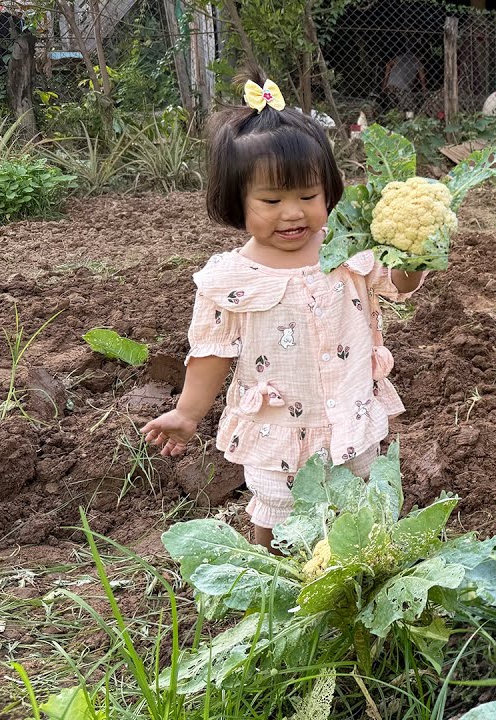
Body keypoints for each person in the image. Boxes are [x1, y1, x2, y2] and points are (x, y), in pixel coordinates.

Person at [142, 74, 426, 549]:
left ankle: (360, 572)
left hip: (350, 410)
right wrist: (187, 414)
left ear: (328, 191)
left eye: (307, 197)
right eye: (271, 201)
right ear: (238, 201)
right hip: (279, 425)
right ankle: (269, 577)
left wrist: (416, 254)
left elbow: (399, 285)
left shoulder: (347, 250)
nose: (292, 213)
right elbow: (212, 353)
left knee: (360, 501)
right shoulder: (231, 278)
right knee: (275, 506)